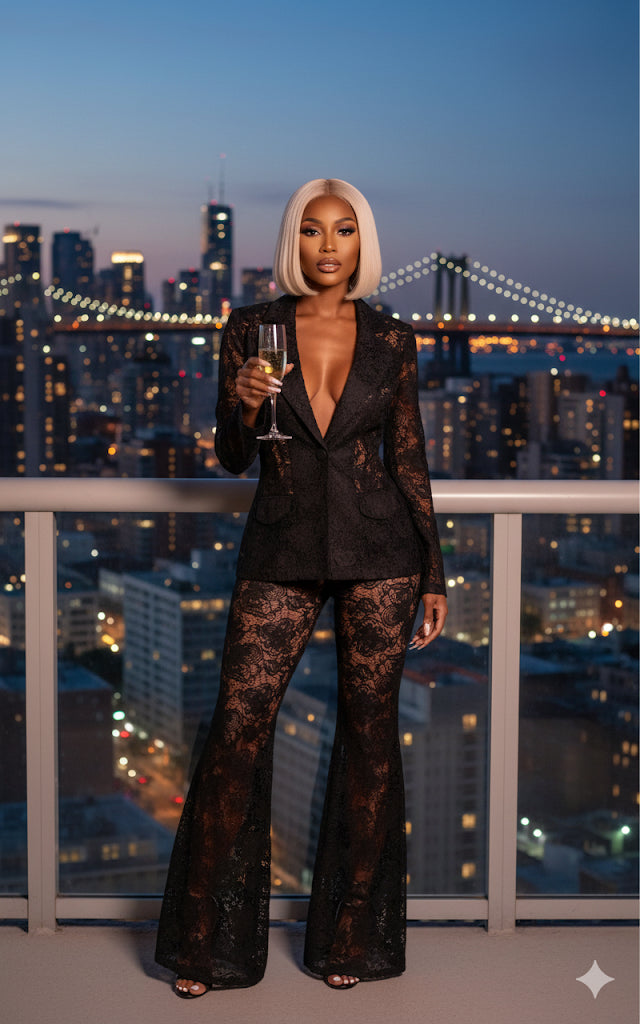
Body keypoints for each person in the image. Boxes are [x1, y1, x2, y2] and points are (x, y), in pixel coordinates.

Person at [155, 178, 448, 997]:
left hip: (382, 551)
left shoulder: (395, 337)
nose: (329, 246)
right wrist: (243, 405)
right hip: (280, 545)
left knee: (368, 739)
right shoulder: (251, 328)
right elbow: (229, 455)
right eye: (314, 231)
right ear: (296, 240)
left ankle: (350, 942)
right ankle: (206, 947)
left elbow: (409, 459)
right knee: (237, 732)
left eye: (345, 231)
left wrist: (434, 571)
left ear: (362, 244)